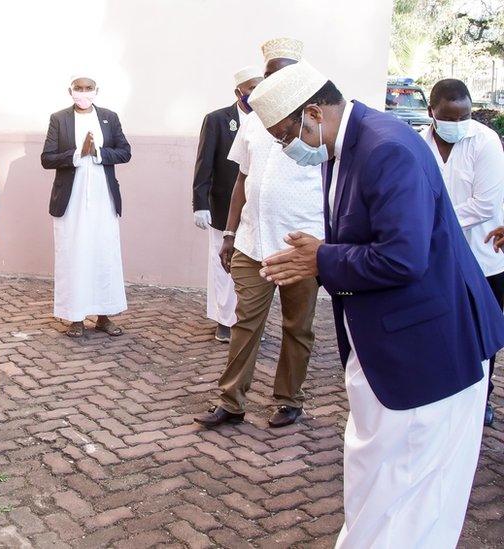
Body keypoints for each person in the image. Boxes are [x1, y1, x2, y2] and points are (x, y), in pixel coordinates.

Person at [252, 60, 504, 548]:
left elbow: (403, 258)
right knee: (380, 487)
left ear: (311, 113)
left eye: (284, 135)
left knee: (414, 502)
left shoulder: (386, 148)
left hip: (430, 351)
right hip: (390, 344)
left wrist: (323, 259)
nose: (285, 148)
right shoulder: (347, 145)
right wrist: (322, 253)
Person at [195, 37, 322, 429]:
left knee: (296, 327)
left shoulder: (314, 121)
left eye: (281, 72)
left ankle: (288, 400)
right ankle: (231, 401)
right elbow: (240, 181)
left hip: (299, 246)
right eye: (268, 73)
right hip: (252, 241)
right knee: (244, 322)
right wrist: (230, 233)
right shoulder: (252, 120)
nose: (273, 79)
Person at [421, 78, 504, 427]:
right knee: (440, 328)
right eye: (450, 117)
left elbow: (484, 204)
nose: (458, 124)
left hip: (483, 257)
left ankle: (482, 398)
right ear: (432, 113)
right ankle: (444, 397)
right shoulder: (418, 143)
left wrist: (429, 221)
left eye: (465, 116)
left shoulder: (485, 141)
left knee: (482, 332)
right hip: (436, 259)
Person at [42, 76, 132, 338]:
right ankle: (75, 318)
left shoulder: (109, 117)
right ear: (70, 91)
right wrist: (76, 155)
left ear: (96, 91)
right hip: (71, 201)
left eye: (88, 88)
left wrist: (98, 153)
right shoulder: (59, 119)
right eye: (78, 88)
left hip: (104, 198)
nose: (83, 93)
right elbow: (47, 158)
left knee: (104, 255)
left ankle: (104, 316)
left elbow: (125, 152)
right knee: (74, 255)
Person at [193, 66, 263, 342]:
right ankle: (224, 320)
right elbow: (204, 163)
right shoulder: (217, 120)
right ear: (239, 92)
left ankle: (247, 319)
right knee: (222, 262)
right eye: (251, 89)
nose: (256, 94)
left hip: (255, 206)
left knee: (252, 265)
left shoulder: (269, 120)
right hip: (223, 204)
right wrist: (200, 202)